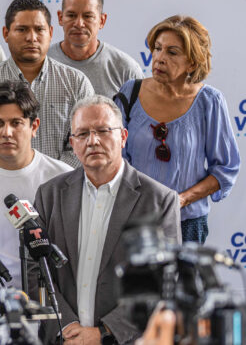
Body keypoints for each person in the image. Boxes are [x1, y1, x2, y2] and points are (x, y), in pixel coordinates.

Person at [30, 95, 181, 345]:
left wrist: (104, 333)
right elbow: (35, 269)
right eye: (82, 134)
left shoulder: (159, 201)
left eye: (102, 130)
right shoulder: (49, 195)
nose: (93, 141)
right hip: (62, 339)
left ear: (123, 137)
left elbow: (162, 281)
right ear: (72, 143)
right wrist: (66, 325)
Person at [114, 15, 240, 244]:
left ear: (192, 62)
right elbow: (116, 158)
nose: (159, 58)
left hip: (188, 224)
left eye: (172, 53)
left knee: (183, 281)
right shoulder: (130, 92)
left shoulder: (209, 102)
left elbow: (225, 168)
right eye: (157, 48)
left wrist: (180, 200)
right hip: (134, 220)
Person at [0, 80, 72, 289]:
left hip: (54, 302)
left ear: (33, 126)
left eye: (16, 123)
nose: (6, 133)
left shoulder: (64, 177)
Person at [0, 0, 94, 167]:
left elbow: (83, 143)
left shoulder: (76, 84)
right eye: (22, 30)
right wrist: (19, 178)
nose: (31, 38)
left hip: (64, 188)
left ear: (50, 32)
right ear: (6, 33)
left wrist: (52, 181)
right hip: (1, 189)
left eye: (39, 29)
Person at [48, 0, 143, 97]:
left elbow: (140, 114)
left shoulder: (126, 69)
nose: (79, 23)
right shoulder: (41, 63)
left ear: (102, 20)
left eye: (88, 16)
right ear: (60, 17)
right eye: (71, 15)